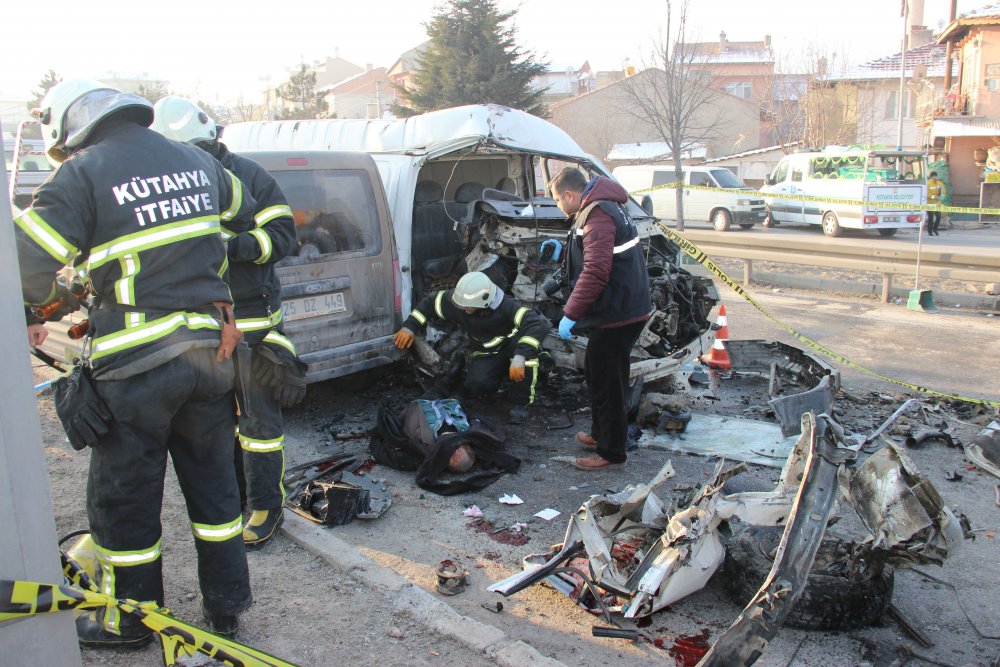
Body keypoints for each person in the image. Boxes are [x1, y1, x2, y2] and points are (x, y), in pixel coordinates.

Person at [14, 79, 257, 647]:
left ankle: (130, 622)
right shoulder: (197, 161)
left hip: (137, 364)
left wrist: (54, 296)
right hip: (208, 357)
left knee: (125, 500)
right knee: (216, 490)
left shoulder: (82, 172)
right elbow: (241, 209)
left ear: (71, 129)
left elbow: (26, 259)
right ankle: (227, 609)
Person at [151, 97, 301, 547]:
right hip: (201, 327)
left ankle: (266, 508)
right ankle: (232, 499)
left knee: (258, 426)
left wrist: (224, 246)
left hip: (254, 326)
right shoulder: (172, 181)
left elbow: (282, 238)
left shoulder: (251, 176)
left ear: (211, 141)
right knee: (215, 422)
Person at [547, 167, 651, 471]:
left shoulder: (598, 214)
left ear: (569, 194)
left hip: (619, 312)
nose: (557, 206)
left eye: (556, 200)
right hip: (620, 306)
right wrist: (562, 254)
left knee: (609, 382)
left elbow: (596, 270)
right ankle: (600, 433)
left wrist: (570, 314)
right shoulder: (600, 207)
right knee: (596, 370)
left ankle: (611, 451)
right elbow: (592, 251)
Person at [393, 271, 549, 423]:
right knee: (477, 385)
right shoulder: (459, 302)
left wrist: (520, 356)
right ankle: (501, 375)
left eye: (468, 306)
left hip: (513, 346)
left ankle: (520, 403)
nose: (463, 309)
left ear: (484, 302)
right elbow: (431, 302)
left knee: (526, 362)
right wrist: (410, 327)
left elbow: (536, 324)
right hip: (488, 352)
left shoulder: (506, 306)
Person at [927, 171, 947, 236]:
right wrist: (933, 197)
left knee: (938, 217)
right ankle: (929, 231)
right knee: (931, 218)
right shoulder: (928, 184)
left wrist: (941, 197)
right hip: (930, 203)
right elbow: (927, 193)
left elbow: (943, 191)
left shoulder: (940, 183)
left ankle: (935, 229)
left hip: (937, 203)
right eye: (933, 176)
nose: (934, 177)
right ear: (931, 177)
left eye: (935, 176)